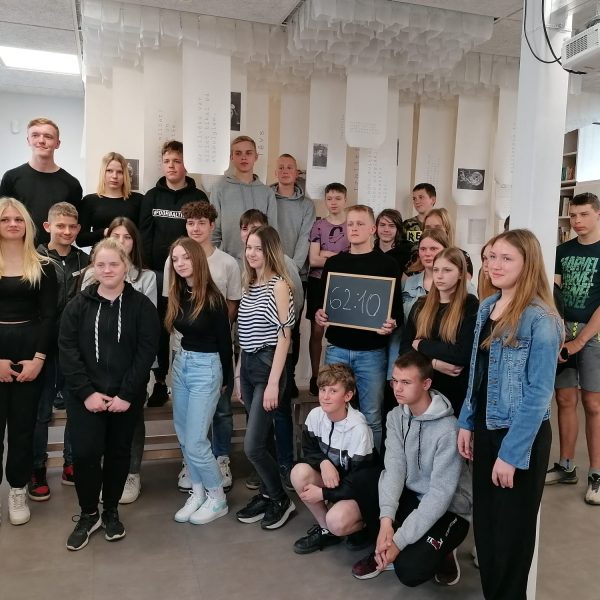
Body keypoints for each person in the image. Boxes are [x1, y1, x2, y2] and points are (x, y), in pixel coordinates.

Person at [457, 229, 563, 600]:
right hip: (486, 426)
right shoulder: (488, 306)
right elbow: (477, 372)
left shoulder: (542, 319)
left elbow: (539, 394)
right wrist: (466, 420)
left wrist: (511, 453)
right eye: (490, 257)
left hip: (519, 437)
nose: (494, 265)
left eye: (506, 258)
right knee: (487, 532)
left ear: (527, 263)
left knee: (511, 540)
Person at [59, 238, 159, 551]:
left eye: (113, 264)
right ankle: (89, 514)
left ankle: (111, 511)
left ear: (125, 266)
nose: (107, 270)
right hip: (85, 398)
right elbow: (68, 350)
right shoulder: (77, 306)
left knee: (118, 453)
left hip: (124, 398)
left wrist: (127, 394)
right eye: (100, 264)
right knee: (86, 454)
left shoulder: (141, 307)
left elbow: (145, 352)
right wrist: (86, 393)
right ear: (94, 267)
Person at [351, 351, 471, 586]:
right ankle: (383, 547)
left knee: (410, 571)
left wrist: (399, 542)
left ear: (426, 384)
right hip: (414, 496)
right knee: (365, 479)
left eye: (406, 382)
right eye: (395, 381)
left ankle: (445, 551)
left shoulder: (449, 429)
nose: (397, 388)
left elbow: (439, 496)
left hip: (450, 510)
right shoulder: (396, 416)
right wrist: (386, 520)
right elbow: (394, 468)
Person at [162, 202, 241, 494]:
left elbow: (230, 306)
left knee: (220, 411)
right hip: (182, 350)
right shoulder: (174, 261)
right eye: (190, 223)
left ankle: (220, 460)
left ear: (212, 226)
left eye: (201, 223)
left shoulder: (227, 263)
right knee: (187, 422)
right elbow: (171, 302)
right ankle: (193, 466)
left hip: (212, 352)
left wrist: (208, 329)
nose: (195, 228)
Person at [81, 217, 157, 504]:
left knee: (132, 421)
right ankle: (107, 474)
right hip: (98, 368)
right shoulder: (91, 275)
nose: (121, 242)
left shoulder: (145, 277)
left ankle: (131, 473)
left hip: (132, 367)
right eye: (116, 236)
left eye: (127, 237)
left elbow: (146, 331)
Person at [316, 204, 402, 451]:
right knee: (333, 411)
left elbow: (396, 312)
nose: (353, 228)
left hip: (372, 353)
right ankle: (335, 461)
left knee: (372, 416)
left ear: (373, 229)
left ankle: (370, 467)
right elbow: (323, 305)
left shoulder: (388, 265)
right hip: (337, 348)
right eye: (350, 224)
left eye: (360, 224)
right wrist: (320, 315)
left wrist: (391, 323)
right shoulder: (334, 263)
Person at [165, 237, 233, 525]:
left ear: (198, 259)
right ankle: (198, 491)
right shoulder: (179, 292)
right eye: (175, 259)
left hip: (207, 368)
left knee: (196, 441)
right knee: (184, 437)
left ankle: (217, 497)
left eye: (186, 258)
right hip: (182, 364)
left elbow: (225, 342)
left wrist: (227, 379)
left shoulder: (213, 298)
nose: (180, 264)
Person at [236, 210, 303, 492]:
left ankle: (278, 498)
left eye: (258, 249)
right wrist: (239, 374)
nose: (251, 253)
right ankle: (267, 495)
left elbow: (284, 337)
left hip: (268, 366)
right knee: (261, 440)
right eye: (249, 247)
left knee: (252, 447)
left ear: (270, 251)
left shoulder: (280, 285)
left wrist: (274, 382)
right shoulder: (249, 283)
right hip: (248, 365)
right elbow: (244, 335)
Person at [0, 197, 57, 525]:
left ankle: (18, 489)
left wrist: (38, 359)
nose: (12, 224)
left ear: (27, 224)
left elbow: (49, 317)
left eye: (18, 219)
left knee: (23, 429)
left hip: (30, 351)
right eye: (5, 219)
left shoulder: (44, 265)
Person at [139, 140, 209, 407]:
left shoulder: (198, 196)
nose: (171, 166)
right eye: (167, 161)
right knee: (157, 328)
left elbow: (200, 236)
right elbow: (144, 235)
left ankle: (183, 380)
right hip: (157, 273)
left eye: (177, 161)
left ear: (186, 165)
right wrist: (146, 269)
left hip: (187, 276)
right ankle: (159, 381)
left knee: (185, 325)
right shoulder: (151, 196)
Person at [29, 202, 88, 501]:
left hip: (75, 349)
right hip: (42, 349)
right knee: (41, 412)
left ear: (78, 229)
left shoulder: (86, 261)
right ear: (47, 226)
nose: (66, 231)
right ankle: (37, 468)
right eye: (60, 226)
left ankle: (71, 462)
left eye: (71, 226)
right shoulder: (34, 259)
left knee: (76, 410)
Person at [291, 364, 380, 555]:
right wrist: (324, 463)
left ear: (347, 396)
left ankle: (363, 525)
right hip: (337, 481)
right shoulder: (315, 416)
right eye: (323, 389)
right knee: (299, 473)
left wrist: (323, 494)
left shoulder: (359, 430)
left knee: (337, 521)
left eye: (333, 391)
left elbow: (360, 483)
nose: (325, 396)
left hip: (360, 491)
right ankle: (327, 531)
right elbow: (309, 450)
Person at [548, 192, 600, 505]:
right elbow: (553, 293)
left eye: (583, 214)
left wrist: (580, 341)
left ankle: (597, 473)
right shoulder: (562, 251)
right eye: (573, 215)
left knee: (593, 404)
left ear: (598, 215)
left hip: (594, 336)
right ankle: (566, 466)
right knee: (565, 399)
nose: (577, 221)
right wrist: (558, 335)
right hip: (564, 332)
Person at [400, 248, 478, 416]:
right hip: (423, 387)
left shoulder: (470, 304)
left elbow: (462, 354)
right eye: (436, 270)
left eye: (447, 270)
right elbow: (405, 349)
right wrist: (434, 363)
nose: (440, 276)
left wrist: (421, 344)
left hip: (455, 390)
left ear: (460, 274)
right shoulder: (421, 304)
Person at [271, 153, 316, 397]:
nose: (285, 171)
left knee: (292, 328)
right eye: (281, 167)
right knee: (271, 327)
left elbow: (305, 238)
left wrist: (292, 270)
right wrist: (273, 268)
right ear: (275, 172)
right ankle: (272, 378)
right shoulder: (267, 197)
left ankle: (288, 380)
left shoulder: (307, 205)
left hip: (298, 274)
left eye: (290, 167)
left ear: (296, 173)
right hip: (269, 271)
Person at [0, 118, 82, 244]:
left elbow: (71, 225)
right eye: (35, 135)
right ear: (28, 140)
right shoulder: (11, 178)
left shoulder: (71, 184)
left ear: (57, 143)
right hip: (20, 249)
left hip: (55, 252)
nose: (41, 141)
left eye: (48, 136)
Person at [307, 183, 350, 396]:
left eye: (338, 198)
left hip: (343, 283)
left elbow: (351, 261)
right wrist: (339, 258)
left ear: (345, 200)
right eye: (330, 198)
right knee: (317, 330)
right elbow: (314, 260)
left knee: (341, 330)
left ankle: (340, 378)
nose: (333, 202)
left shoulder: (351, 226)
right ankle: (316, 375)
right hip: (318, 281)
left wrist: (326, 254)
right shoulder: (318, 225)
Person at [211, 135, 277, 260]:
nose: (243, 157)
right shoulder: (219, 189)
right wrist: (222, 260)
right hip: (228, 263)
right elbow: (214, 231)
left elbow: (272, 232)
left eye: (248, 153)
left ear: (256, 156)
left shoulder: (267, 193)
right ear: (231, 157)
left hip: (260, 264)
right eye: (238, 153)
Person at [77, 152, 143, 248]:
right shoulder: (89, 201)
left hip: (130, 255)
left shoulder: (139, 200)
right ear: (103, 173)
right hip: (100, 254)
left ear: (125, 175)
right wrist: (105, 232)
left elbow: (144, 236)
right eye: (109, 171)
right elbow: (80, 240)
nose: (114, 176)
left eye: (119, 172)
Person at [401, 228, 450, 322]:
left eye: (433, 249)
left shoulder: (462, 285)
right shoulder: (409, 283)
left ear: (446, 250)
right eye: (423, 249)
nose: (427, 253)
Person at [423, 208, 473, 277]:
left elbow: (465, 283)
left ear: (447, 230)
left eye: (438, 228)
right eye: (428, 228)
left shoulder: (462, 257)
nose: (432, 232)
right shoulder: (417, 256)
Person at [374, 208, 412, 275]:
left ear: (398, 229)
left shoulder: (408, 253)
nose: (386, 230)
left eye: (391, 226)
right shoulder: (371, 252)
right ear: (376, 227)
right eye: (382, 225)